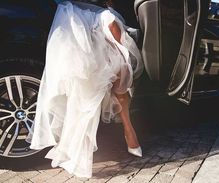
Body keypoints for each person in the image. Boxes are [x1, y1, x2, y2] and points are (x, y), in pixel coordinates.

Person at [27, 0, 144, 178]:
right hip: (72, 18)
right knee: (86, 85)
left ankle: (128, 128)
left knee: (119, 63)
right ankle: (122, 133)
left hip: (97, 16)